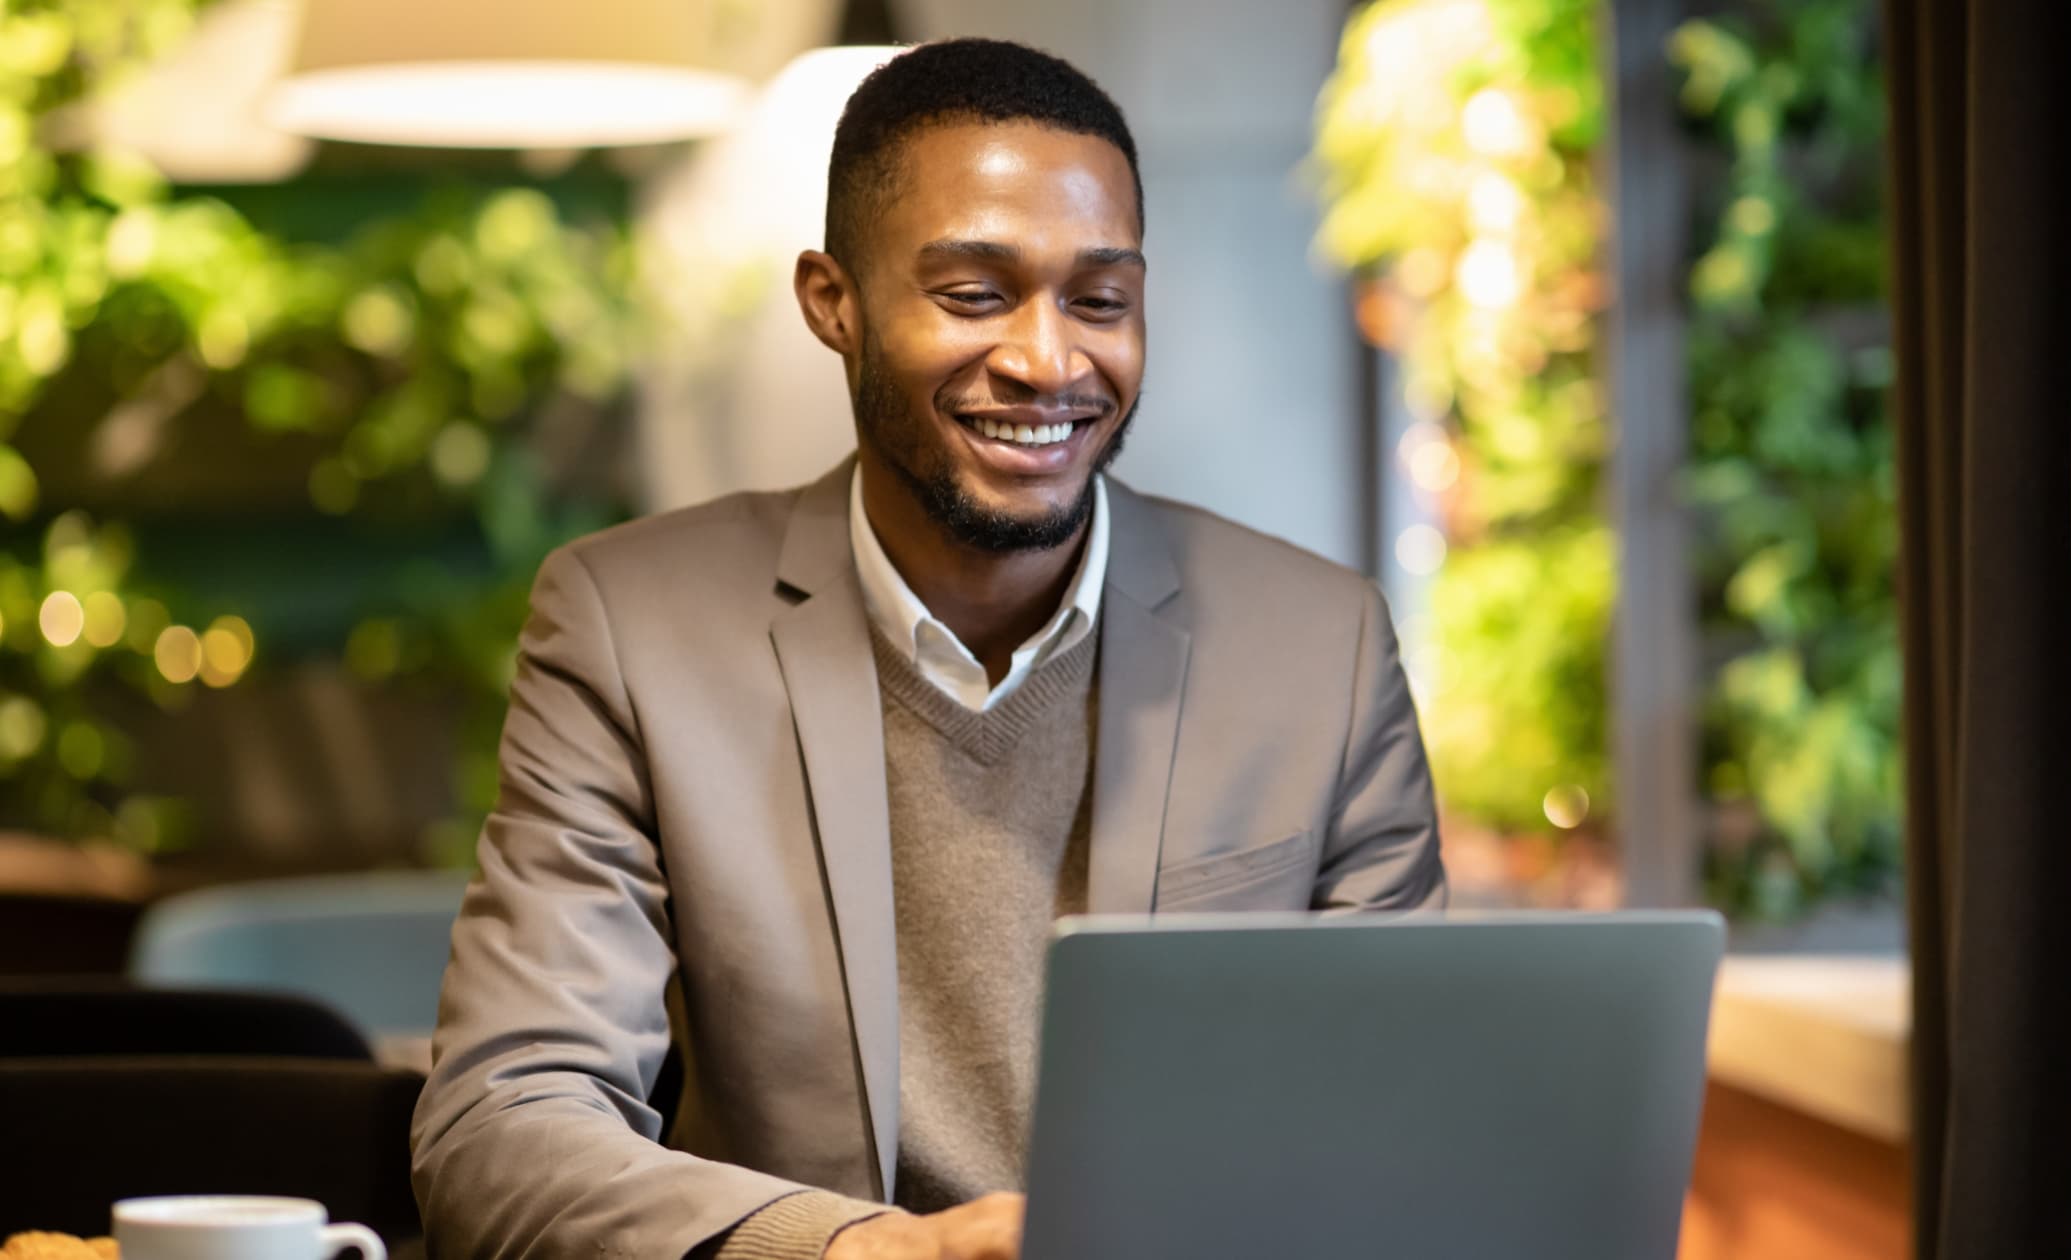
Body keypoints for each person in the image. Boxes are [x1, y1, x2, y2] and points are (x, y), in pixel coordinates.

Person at [409, 37, 1446, 1260]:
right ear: (832, 303)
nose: (1048, 362)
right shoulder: (630, 626)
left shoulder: (1320, 647)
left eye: (1098, 301)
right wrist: (858, 1250)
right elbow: (504, 1126)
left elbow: (1416, 1119)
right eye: (973, 295)